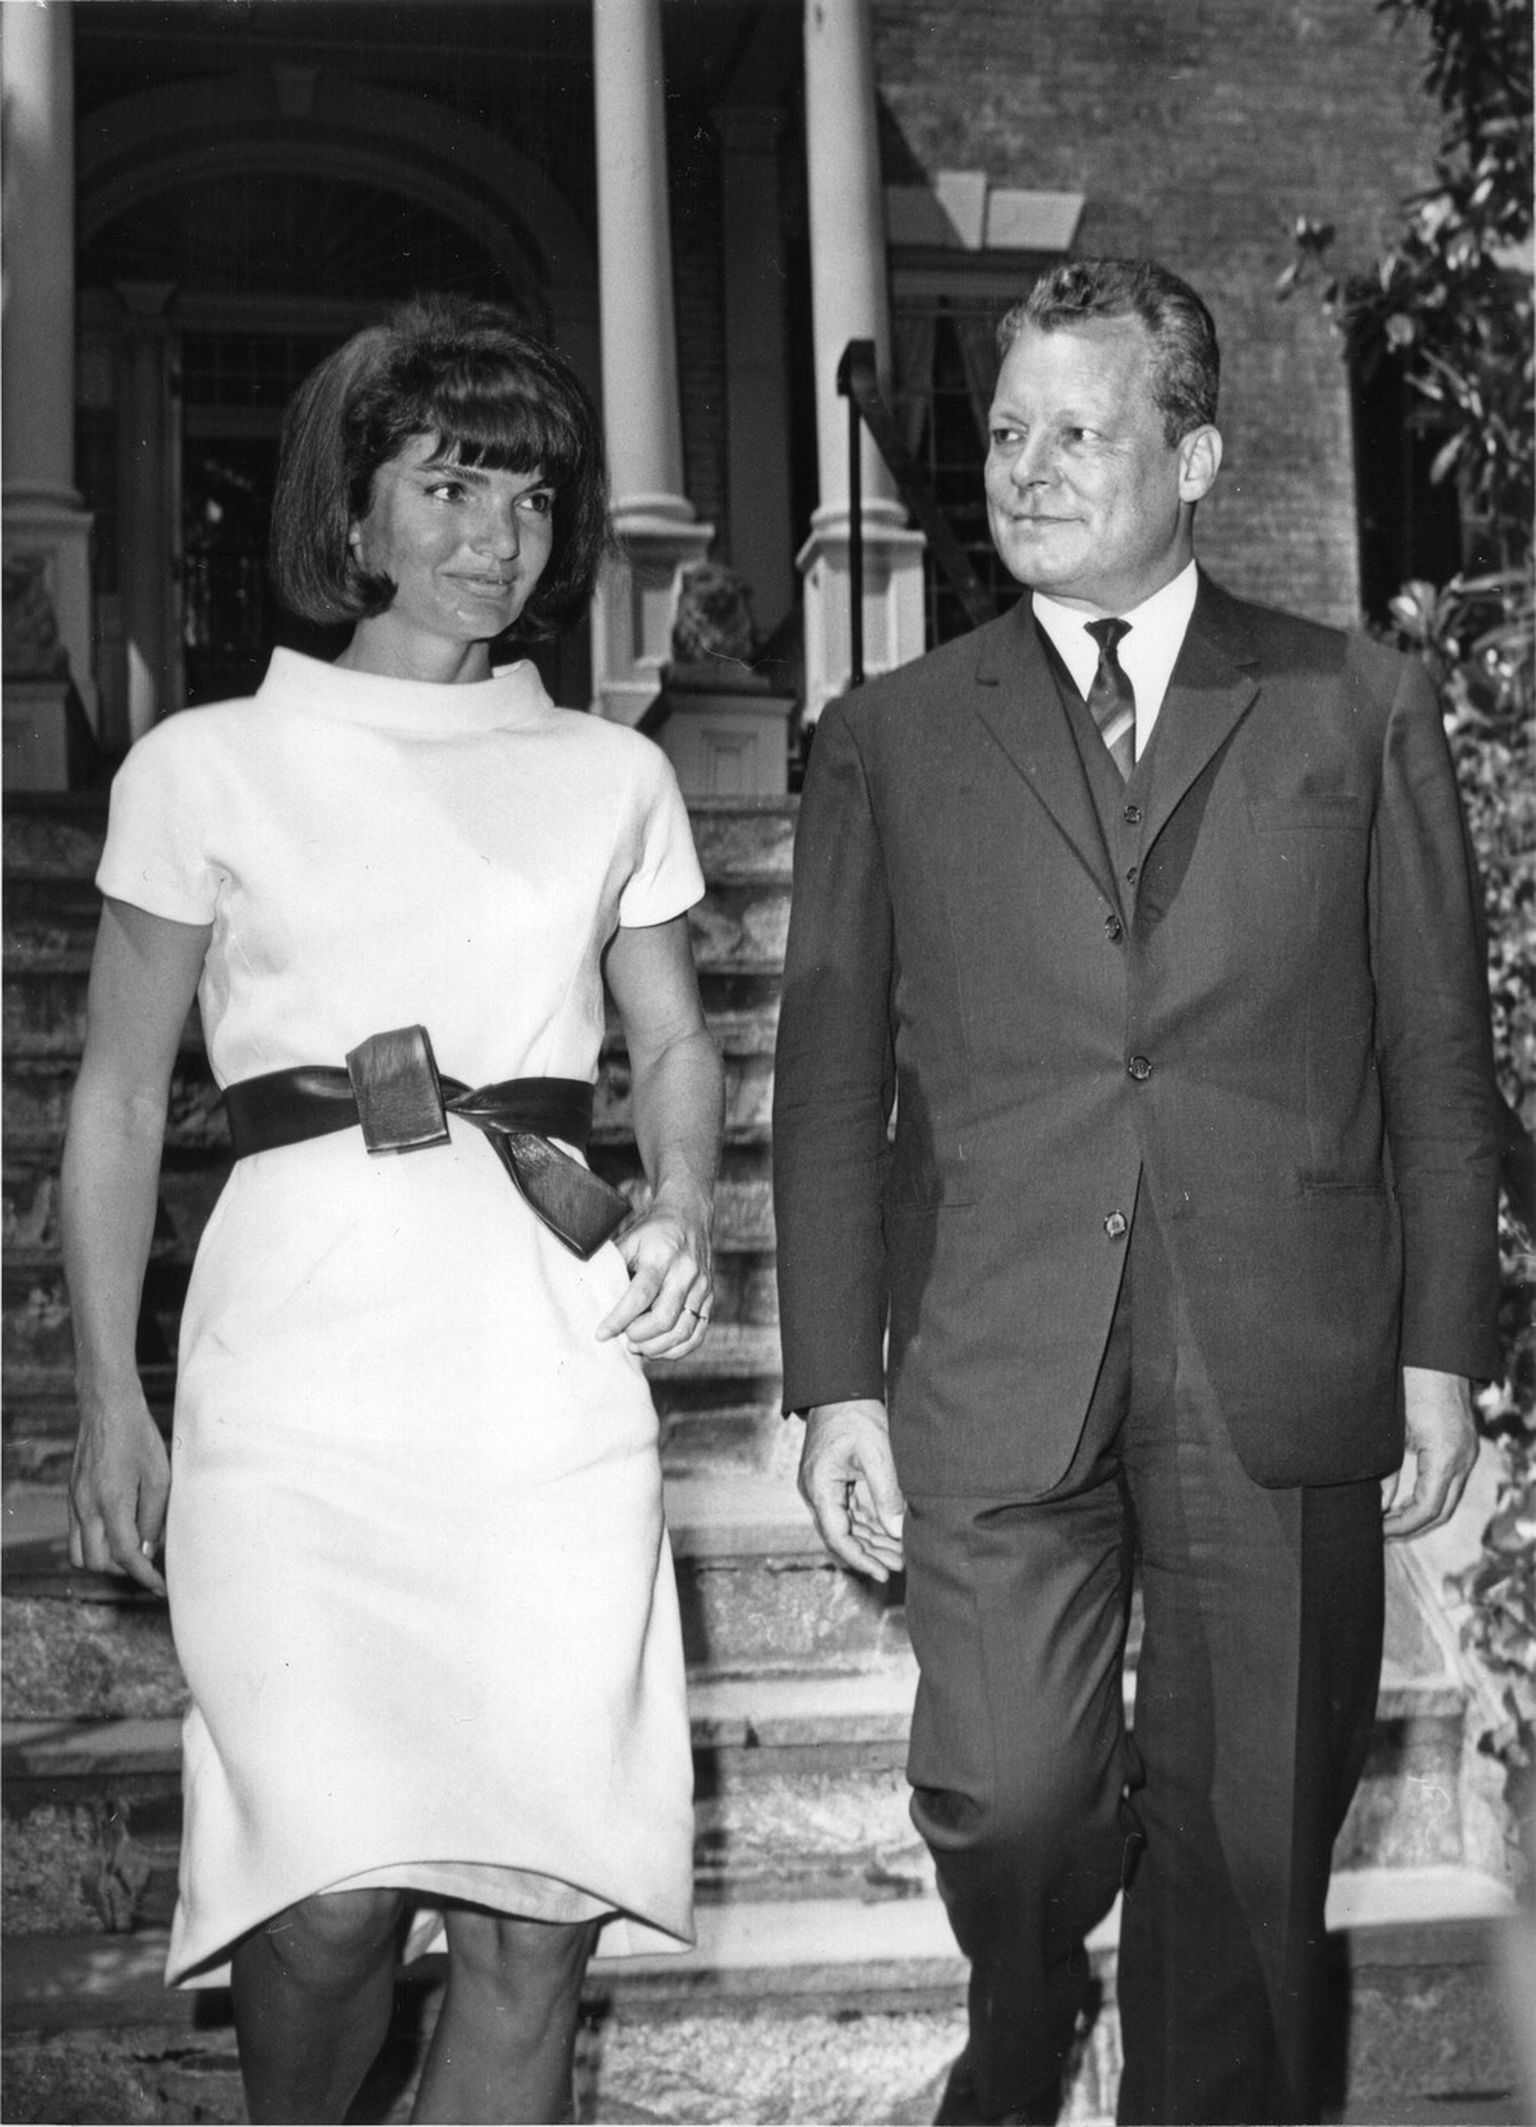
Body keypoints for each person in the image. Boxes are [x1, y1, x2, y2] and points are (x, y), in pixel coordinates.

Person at [773, 257, 1500, 2126]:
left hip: (1279, 1339)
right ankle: (1024, 2015)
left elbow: (1437, 1057)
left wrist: (1443, 1354)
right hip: (996, 1333)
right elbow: (832, 1079)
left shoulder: (1355, 706)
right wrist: (834, 1383)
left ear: (1196, 458)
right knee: (1008, 1797)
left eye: (1077, 432)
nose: (1025, 466)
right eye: (1008, 430)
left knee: (1252, 1850)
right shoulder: (890, 736)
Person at [63, 296, 724, 2125]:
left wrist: (680, 1200)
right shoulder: (202, 766)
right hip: (297, 1384)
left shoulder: (614, 774)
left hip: (543, 1384)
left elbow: (675, 1043)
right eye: (449, 487)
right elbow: (115, 1097)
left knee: (534, 1919)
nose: (494, 538)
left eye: (530, 499)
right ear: (351, 509)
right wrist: (110, 1397)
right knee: (326, 1904)